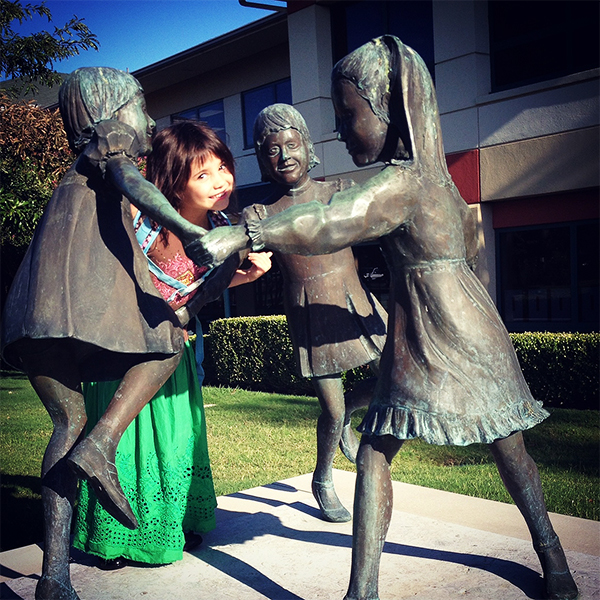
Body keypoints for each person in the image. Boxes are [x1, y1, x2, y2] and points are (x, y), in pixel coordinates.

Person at [192, 36, 578, 600]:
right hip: (456, 323)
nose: (341, 132)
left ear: (388, 110)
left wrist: (244, 234)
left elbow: (331, 221)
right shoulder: (432, 174)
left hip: (443, 327)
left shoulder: (402, 183)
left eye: (349, 116)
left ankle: (379, 588)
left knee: (492, 446)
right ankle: (546, 561)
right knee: (441, 447)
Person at [0, 67, 216, 600]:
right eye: (141, 106)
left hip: (35, 311)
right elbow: (134, 183)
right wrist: (188, 229)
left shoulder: (76, 169)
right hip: (75, 305)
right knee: (168, 341)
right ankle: (103, 444)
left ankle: (54, 576)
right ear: (111, 112)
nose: (149, 120)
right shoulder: (110, 143)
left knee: (66, 423)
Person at [73, 120, 272, 568]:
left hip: (173, 354)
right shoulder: (142, 224)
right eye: (203, 174)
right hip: (123, 353)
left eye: (223, 168)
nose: (220, 181)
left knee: (176, 439)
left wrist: (245, 277)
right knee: (125, 444)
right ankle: (118, 538)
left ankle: (175, 522)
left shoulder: (224, 228)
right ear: (172, 183)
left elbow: (197, 288)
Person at [247, 104, 386, 522]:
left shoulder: (339, 191)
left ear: (308, 147)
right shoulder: (261, 215)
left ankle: (350, 416)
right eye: (273, 150)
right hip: (311, 314)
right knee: (332, 408)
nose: (284, 156)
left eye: (292, 145)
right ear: (262, 159)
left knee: (396, 378)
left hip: (356, 302)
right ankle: (323, 477)